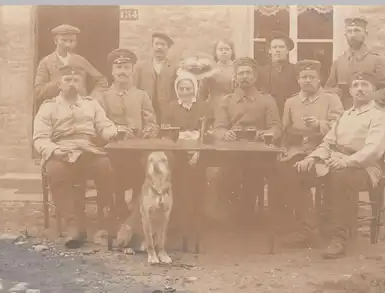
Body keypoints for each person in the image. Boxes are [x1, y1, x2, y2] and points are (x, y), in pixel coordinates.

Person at [295, 71, 385, 259]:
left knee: (342, 177)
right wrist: (312, 158)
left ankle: (339, 239)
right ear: (350, 90)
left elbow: (373, 151)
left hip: (365, 168)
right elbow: (328, 143)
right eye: (355, 85)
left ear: (373, 90)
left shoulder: (379, 116)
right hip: (337, 161)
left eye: (364, 85)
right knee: (300, 172)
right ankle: (309, 231)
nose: (360, 89)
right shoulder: (346, 115)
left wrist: (345, 161)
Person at [33, 64, 119, 249]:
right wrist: (55, 150)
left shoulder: (91, 104)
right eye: (67, 80)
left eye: (76, 80)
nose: (72, 84)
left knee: (105, 165)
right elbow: (39, 139)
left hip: (87, 149)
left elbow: (104, 125)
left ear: (82, 83)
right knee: (56, 171)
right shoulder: (48, 107)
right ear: (60, 83)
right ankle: (73, 225)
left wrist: (112, 132)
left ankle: (105, 217)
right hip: (61, 149)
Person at [270, 60, 343, 247]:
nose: (307, 80)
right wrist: (283, 148)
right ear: (298, 80)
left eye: (312, 77)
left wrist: (320, 124)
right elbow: (285, 130)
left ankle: (309, 229)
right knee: (280, 173)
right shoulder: (291, 102)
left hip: (324, 152)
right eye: (303, 77)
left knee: (299, 174)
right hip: (296, 151)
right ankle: (292, 226)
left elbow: (342, 128)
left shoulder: (331, 99)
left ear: (319, 80)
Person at [213, 57, 282, 217]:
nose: (244, 76)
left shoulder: (266, 100)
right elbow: (218, 128)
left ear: (255, 77)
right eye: (240, 73)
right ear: (235, 77)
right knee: (226, 174)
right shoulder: (226, 101)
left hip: (258, 152)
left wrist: (262, 134)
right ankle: (230, 213)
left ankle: (248, 213)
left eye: (248, 73)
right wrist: (225, 134)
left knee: (254, 173)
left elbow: (277, 128)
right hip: (232, 151)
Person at [94, 48, 159, 219]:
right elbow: (98, 125)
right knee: (112, 166)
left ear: (132, 71)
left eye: (127, 67)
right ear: (112, 71)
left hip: (137, 148)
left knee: (147, 165)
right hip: (113, 149)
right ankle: (117, 204)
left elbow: (151, 122)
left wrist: (147, 131)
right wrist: (118, 131)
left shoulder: (141, 95)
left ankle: (138, 205)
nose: (123, 71)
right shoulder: (103, 97)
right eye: (119, 67)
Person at [162, 72, 214, 234]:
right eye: (182, 89)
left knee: (199, 181)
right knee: (179, 182)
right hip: (178, 152)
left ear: (194, 89)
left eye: (188, 88)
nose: (185, 92)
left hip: (200, 151)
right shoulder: (171, 107)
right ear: (177, 90)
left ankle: (198, 218)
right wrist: (182, 138)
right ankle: (180, 218)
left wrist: (198, 143)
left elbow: (209, 130)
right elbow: (166, 131)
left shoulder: (203, 106)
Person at [325, 17, 385, 109]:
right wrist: (334, 93)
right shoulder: (338, 62)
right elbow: (327, 90)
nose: (353, 35)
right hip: (344, 114)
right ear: (345, 35)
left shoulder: (376, 61)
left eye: (357, 30)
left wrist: (368, 98)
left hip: (369, 114)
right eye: (349, 31)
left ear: (365, 34)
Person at [34, 24, 108, 108]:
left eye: (72, 41)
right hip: (57, 109)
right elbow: (38, 92)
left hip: (81, 109)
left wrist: (93, 98)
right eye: (64, 40)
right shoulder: (46, 62)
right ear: (55, 40)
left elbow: (102, 81)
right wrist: (58, 84)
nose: (68, 44)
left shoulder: (80, 60)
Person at [133, 32, 178, 124]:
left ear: (168, 48)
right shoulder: (140, 67)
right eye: (156, 44)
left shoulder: (175, 68)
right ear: (152, 46)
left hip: (166, 111)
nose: (159, 47)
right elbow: (134, 89)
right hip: (146, 110)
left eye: (163, 44)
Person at [256, 31, 299, 118]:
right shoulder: (260, 71)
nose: (278, 50)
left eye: (281, 47)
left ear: (287, 51)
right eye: (275, 47)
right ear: (269, 50)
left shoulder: (296, 70)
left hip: (290, 114)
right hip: (266, 115)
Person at [198, 39, 236, 109]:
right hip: (214, 107)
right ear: (215, 52)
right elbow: (202, 93)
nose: (223, 52)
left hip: (232, 107)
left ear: (232, 52)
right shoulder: (210, 71)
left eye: (227, 49)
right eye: (220, 49)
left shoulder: (237, 69)